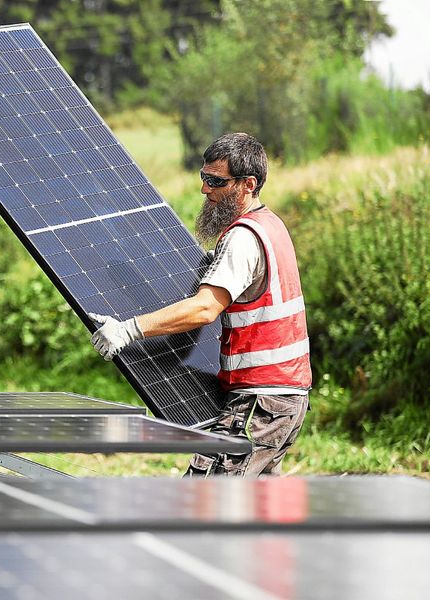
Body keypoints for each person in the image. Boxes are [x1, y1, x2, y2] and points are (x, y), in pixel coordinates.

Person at [88, 132, 311, 477]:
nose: (205, 189)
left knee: (202, 502)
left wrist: (129, 329)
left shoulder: (243, 238)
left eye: (216, 181)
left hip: (259, 402)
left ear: (247, 184)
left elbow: (204, 309)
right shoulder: (270, 225)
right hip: (283, 398)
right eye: (203, 178)